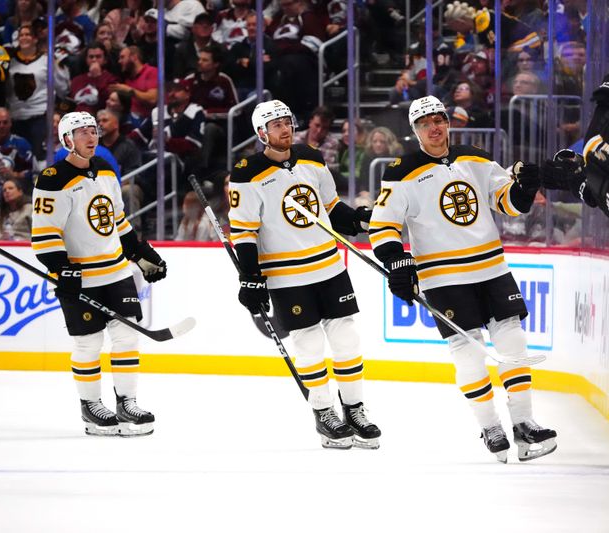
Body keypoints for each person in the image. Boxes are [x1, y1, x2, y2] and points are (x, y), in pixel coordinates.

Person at [369, 95, 556, 463]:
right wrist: (397, 262)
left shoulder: (476, 157)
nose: (434, 127)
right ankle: (491, 427)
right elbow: (383, 225)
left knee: (512, 340)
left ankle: (523, 422)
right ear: (415, 131)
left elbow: (508, 202)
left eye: (439, 119)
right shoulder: (400, 172)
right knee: (468, 354)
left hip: (491, 268)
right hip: (444, 278)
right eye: (425, 124)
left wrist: (524, 187)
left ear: (448, 122)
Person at [229, 99, 379, 450]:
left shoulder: (311, 157)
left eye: (287, 121)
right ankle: (324, 412)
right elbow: (244, 233)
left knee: (347, 339)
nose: (285, 128)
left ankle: (354, 409)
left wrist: (358, 219)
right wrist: (250, 277)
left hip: (329, 265)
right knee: (309, 344)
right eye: (275, 124)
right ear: (261, 133)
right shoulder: (247, 172)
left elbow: (329, 208)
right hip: (286, 276)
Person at [31, 111, 167, 437]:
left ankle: (127, 402)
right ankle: (91, 406)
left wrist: (139, 252)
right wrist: (61, 269)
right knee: (88, 343)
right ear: (67, 140)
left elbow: (117, 220)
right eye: (82, 132)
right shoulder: (53, 178)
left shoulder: (106, 169)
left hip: (116, 270)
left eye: (93, 130)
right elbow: (45, 235)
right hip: (81, 275)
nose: (91, 136)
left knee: (126, 336)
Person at [9, 24, 70, 160]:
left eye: (27, 34)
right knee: (19, 159)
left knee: (39, 156)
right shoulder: (10, 62)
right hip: (17, 118)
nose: (24, 38)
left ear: (35, 39)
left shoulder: (46, 60)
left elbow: (62, 88)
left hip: (40, 117)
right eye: (21, 35)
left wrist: (56, 65)